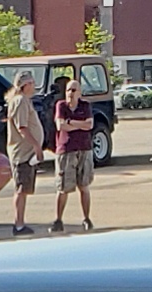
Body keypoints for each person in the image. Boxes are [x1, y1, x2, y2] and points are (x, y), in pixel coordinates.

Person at [43, 74, 96, 232]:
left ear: (80, 92)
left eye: (74, 90)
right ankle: (58, 220)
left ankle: (86, 219)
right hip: (66, 150)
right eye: (68, 90)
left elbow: (89, 125)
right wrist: (78, 124)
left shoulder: (85, 106)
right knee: (63, 188)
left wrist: (71, 122)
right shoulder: (61, 106)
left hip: (84, 149)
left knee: (84, 186)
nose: (70, 93)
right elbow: (60, 126)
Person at [1, 80, 46, 230]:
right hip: (22, 153)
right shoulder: (20, 101)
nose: (34, 85)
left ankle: (21, 222)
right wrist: (36, 145)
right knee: (21, 189)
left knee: (24, 189)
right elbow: (22, 127)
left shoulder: (24, 100)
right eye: (31, 82)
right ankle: (18, 225)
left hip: (27, 154)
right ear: (24, 85)